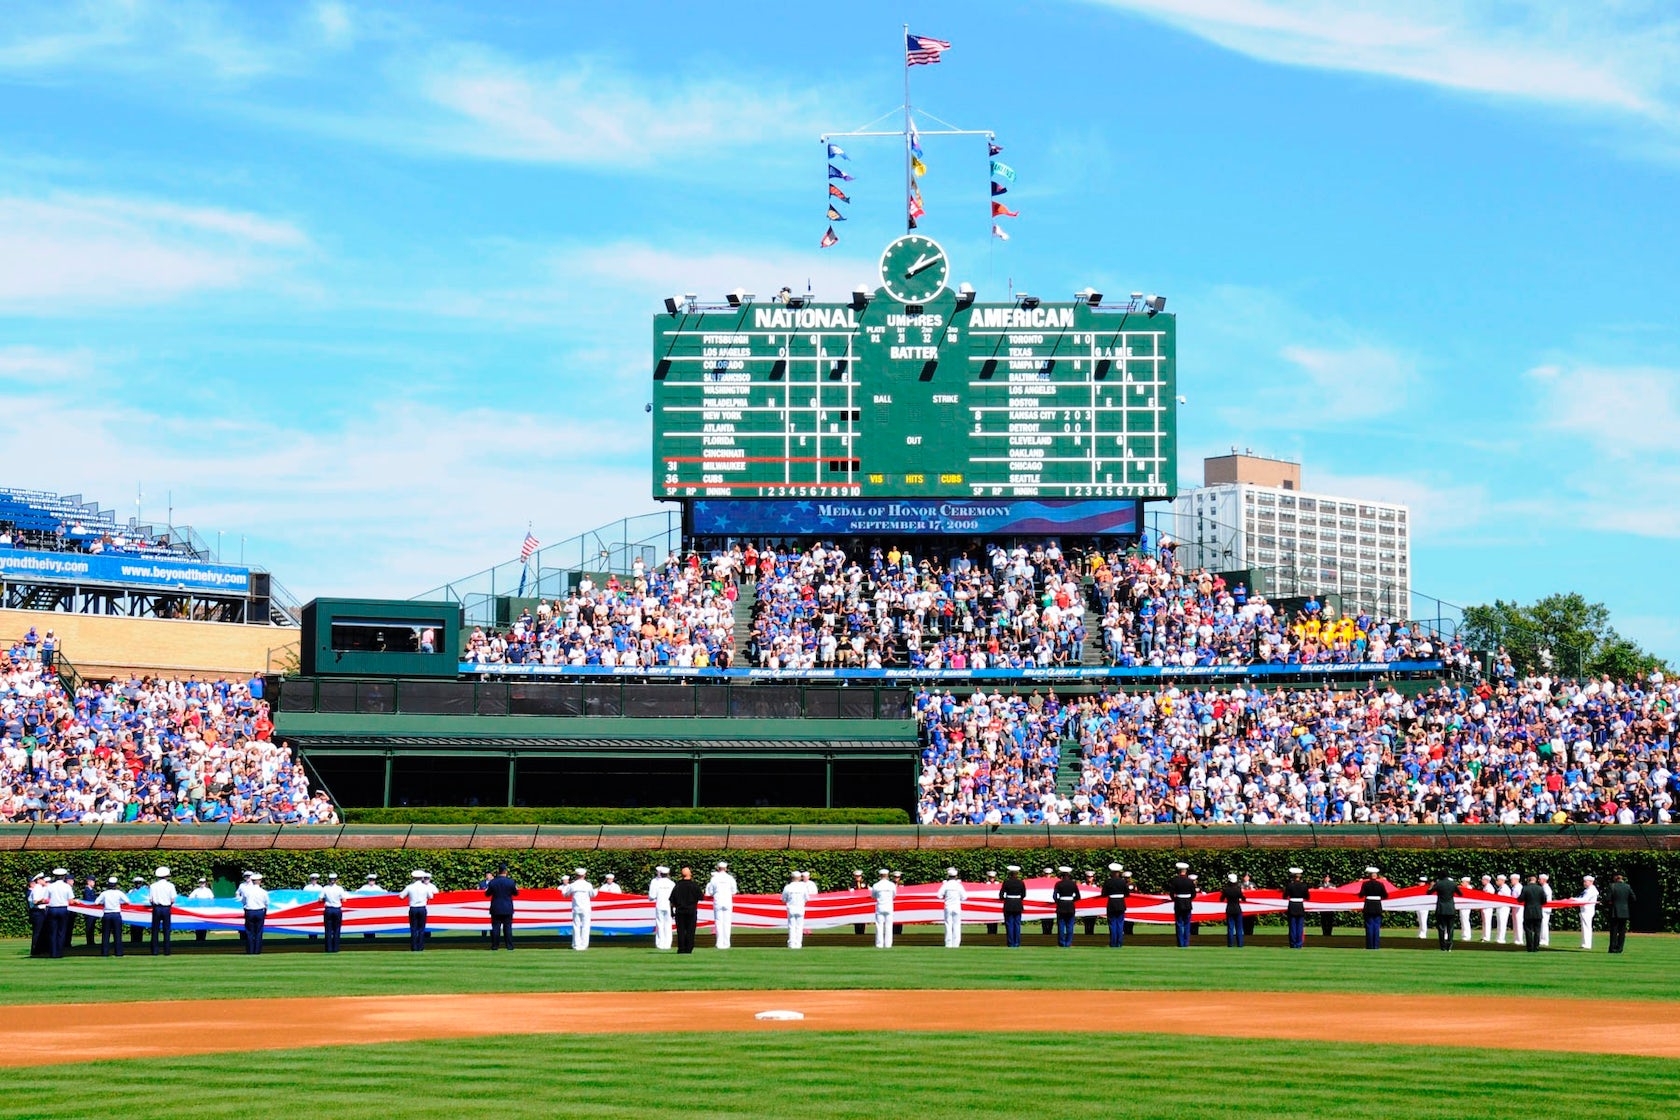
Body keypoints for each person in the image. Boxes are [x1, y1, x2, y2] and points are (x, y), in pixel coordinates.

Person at [399, 870, 435, 952]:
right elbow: (431, 896)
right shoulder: (425, 887)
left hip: (413, 908)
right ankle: (421, 947)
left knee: (414, 928)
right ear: (422, 878)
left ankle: (414, 947)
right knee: (421, 928)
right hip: (422, 908)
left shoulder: (409, 887)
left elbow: (401, 896)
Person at [671, 866, 703, 954]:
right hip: (691, 911)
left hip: (680, 911)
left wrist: (672, 911)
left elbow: (672, 900)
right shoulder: (694, 886)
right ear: (690, 874)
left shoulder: (677, 886)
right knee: (690, 930)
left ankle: (681, 948)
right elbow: (701, 897)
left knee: (680, 930)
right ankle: (689, 948)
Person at [705, 861, 738, 950]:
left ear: (718, 868)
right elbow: (734, 891)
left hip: (718, 901)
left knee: (718, 922)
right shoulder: (730, 878)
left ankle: (719, 943)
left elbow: (710, 892)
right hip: (727, 901)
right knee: (727, 922)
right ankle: (726, 943)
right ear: (726, 868)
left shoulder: (714, 878)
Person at [485, 863, 517, 950]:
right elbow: (516, 893)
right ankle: (509, 946)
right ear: (505, 871)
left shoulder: (493, 882)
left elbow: (487, 894)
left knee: (495, 928)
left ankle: (495, 946)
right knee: (508, 928)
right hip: (507, 907)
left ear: (498, 872)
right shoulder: (511, 882)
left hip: (496, 907)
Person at [563, 867, 596, 951]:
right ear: (584, 875)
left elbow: (566, 894)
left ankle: (576, 945)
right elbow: (592, 895)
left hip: (576, 908)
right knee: (586, 926)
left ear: (576, 875)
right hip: (586, 908)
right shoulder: (588, 885)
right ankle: (584, 945)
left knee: (576, 926)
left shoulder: (573, 885)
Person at [236, 872, 269, 955]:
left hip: (249, 911)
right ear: (260, 881)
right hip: (260, 911)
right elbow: (267, 903)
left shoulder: (247, 891)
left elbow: (243, 901)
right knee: (258, 932)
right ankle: (257, 951)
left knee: (249, 932)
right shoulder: (263, 892)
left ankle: (250, 951)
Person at [45, 869, 75, 958]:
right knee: (61, 932)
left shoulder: (50, 886)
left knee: (52, 932)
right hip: (63, 909)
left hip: (52, 909)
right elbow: (71, 900)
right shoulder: (67, 887)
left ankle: (53, 952)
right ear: (64, 876)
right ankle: (59, 952)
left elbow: (46, 899)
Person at [148, 866, 177, 957]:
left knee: (155, 930)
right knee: (166, 930)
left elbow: (151, 900)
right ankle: (167, 951)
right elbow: (173, 899)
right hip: (166, 908)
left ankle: (154, 951)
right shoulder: (170, 886)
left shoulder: (153, 886)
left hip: (156, 908)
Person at [936, 868, 967, 949]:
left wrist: (946, 897)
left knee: (948, 925)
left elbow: (939, 895)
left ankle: (948, 944)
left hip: (948, 907)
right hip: (957, 907)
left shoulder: (946, 885)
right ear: (956, 876)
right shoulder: (958, 885)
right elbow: (964, 897)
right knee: (957, 925)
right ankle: (956, 944)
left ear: (948, 875)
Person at [1358, 866, 1388, 950]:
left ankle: (1369, 946)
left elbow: (1361, 895)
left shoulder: (1365, 884)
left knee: (1369, 926)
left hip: (1368, 906)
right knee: (1376, 927)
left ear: (1369, 875)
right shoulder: (1381, 884)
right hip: (1377, 906)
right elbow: (1385, 895)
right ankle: (1376, 946)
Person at [97, 876, 127, 957]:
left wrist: (103, 902)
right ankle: (118, 952)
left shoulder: (104, 893)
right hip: (116, 914)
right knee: (117, 934)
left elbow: (96, 902)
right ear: (116, 885)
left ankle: (105, 952)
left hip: (107, 914)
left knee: (106, 934)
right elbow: (127, 901)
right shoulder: (119, 893)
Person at [1604, 873, 1635, 954]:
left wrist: (1611, 903)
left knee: (1614, 930)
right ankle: (1620, 948)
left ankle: (1612, 948)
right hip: (1624, 911)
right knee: (1622, 931)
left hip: (1614, 910)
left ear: (1615, 878)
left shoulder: (1612, 886)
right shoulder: (1627, 887)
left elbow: (1607, 899)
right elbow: (1633, 898)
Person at [1101, 863, 1130, 948]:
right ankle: (1119, 943)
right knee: (1120, 924)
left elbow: (1103, 894)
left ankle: (1113, 943)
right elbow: (1127, 894)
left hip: (1111, 904)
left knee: (1112, 924)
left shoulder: (1108, 882)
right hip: (1121, 904)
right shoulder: (1123, 882)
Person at [1167, 861, 1195, 948]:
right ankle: (1186, 943)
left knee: (1179, 923)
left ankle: (1180, 943)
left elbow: (1171, 893)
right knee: (1187, 923)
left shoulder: (1174, 881)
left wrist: (1175, 899)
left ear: (1178, 871)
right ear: (1185, 871)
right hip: (1187, 903)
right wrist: (1189, 899)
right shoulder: (1190, 881)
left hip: (1178, 903)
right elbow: (1193, 894)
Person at [1517, 873, 1548, 952]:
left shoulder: (1525, 888)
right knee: (1537, 931)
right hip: (1538, 912)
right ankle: (1536, 947)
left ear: (1529, 879)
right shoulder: (1540, 889)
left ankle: (1530, 947)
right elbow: (1544, 901)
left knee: (1528, 930)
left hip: (1528, 912)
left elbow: (1520, 899)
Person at [999, 865, 1027, 948]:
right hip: (1018, 904)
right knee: (1017, 924)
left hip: (1008, 904)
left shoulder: (1006, 882)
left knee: (1009, 924)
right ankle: (1017, 942)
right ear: (1017, 874)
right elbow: (1024, 895)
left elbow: (1001, 895)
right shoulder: (1021, 882)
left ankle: (1010, 942)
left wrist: (1005, 898)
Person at [1052, 866, 1080, 948]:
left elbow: (1054, 896)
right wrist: (1071, 900)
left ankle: (1061, 942)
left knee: (1061, 925)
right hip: (1070, 905)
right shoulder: (1073, 884)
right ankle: (1068, 942)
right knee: (1070, 925)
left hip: (1061, 905)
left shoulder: (1058, 884)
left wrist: (1059, 902)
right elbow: (1078, 896)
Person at [648, 866, 675, 951]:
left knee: (660, 924)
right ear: (668, 874)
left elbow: (652, 896)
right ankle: (667, 944)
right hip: (669, 906)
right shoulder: (672, 883)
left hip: (659, 905)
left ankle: (660, 943)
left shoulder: (656, 883)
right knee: (668, 924)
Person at [1283, 867, 1310, 949]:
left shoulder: (1289, 885)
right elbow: (1307, 897)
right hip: (1300, 906)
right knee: (1300, 926)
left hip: (1292, 906)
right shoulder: (1304, 885)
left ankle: (1293, 943)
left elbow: (1284, 896)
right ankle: (1299, 943)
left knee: (1292, 926)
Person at [869, 869, 897, 949]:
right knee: (889, 926)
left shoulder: (876, 885)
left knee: (879, 926)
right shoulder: (891, 885)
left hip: (880, 907)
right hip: (889, 907)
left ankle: (879, 944)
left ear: (880, 876)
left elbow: (873, 896)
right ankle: (888, 944)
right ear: (887, 875)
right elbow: (894, 895)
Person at [783, 870, 810, 949]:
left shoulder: (788, 887)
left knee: (792, 926)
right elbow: (807, 898)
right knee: (799, 926)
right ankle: (798, 944)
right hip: (800, 908)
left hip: (791, 908)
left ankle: (791, 943)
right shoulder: (803, 887)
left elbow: (784, 899)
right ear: (799, 878)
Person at [1433, 873, 1459, 951]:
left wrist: (1432, 885)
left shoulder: (1439, 884)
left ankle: (1443, 946)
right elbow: (1460, 893)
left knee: (1441, 928)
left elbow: (1429, 892)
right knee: (1450, 928)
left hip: (1441, 909)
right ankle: (1449, 945)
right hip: (1450, 909)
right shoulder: (1453, 884)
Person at [321, 872, 347, 952]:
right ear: (336, 880)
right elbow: (344, 899)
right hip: (337, 909)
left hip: (328, 909)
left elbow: (320, 899)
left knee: (328, 930)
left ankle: (328, 949)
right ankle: (335, 948)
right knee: (337, 929)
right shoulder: (340, 889)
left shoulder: (325, 888)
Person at [1220, 873, 1246, 948]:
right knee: (1239, 928)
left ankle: (1230, 944)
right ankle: (1240, 944)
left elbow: (1221, 899)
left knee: (1230, 928)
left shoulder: (1226, 890)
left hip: (1229, 909)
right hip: (1237, 909)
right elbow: (1243, 898)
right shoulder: (1238, 890)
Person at [356, 874, 384, 940]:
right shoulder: (364, 887)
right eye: (370, 880)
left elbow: (384, 893)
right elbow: (357, 893)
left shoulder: (377, 888)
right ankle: (366, 937)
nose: (372, 881)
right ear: (368, 880)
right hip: (366, 910)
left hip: (374, 910)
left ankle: (372, 937)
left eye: (373, 880)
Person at [27, 872, 48, 958]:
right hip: (37, 912)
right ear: (38, 880)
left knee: (41, 932)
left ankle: (40, 949)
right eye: (42, 879)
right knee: (37, 932)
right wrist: (44, 901)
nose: (44, 881)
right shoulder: (37, 888)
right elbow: (35, 901)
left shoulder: (40, 888)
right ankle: (35, 951)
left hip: (40, 911)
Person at [188, 877, 214, 943]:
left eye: (203, 882)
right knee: (197, 924)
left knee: (203, 924)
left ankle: (203, 938)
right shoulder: (196, 890)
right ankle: (198, 938)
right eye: (201, 883)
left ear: (205, 883)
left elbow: (212, 898)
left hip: (205, 910)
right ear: (199, 883)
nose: (202, 884)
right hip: (198, 910)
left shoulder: (208, 890)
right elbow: (190, 897)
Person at [1577, 875, 1598, 951]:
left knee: (1587, 927)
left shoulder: (1592, 890)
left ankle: (1587, 944)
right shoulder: (1587, 890)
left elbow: (1584, 899)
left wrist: (1573, 900)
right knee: (1584, 927)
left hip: (1587, 911)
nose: (1584, 883)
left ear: (1591, 882)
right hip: (1584, 910)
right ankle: (1584, 943)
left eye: (1586, 881)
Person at [1080, 870, 1100, 937]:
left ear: (1093, 878)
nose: (1089, 878)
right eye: (1088, 877)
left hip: (1093, 907)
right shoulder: (1083, 885)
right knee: (1086, 923)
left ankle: (1091, 935)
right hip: (1085, 907)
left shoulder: (1095, 886)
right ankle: (1086, 935)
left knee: (1092, 922)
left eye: (1091, 877)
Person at [1494, 874, 1512, 944]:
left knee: (1502, 923)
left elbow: (1508, 898)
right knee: (1499, 923)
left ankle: (1501, 938)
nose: (1496, 881)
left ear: (1502, 881)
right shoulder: (1501, 888)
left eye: (1497, 880)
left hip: (1504, 908)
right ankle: (1499, 937)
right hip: (1500, 907)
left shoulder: (1505, 888)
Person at [81, 876, 98, 947]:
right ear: (89, 882)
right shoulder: (87, 890)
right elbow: (89, 900)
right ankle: (89, 941)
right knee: (89, 926)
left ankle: (91, 941)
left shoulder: (91, 890)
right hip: (89, 912)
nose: (94, 883)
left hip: (92, 912)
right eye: (93, 881)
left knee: (92, 927)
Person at [1318, 873, 1337, 938]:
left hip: (1330, 905)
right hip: (1323, 905)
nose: (1326, 879)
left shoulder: (1333, 885)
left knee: (1330, 920)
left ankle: (1329, 932)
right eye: (1325, 877)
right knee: (1323, 920)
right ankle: (1324, 932)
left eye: (1328, 877)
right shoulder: (1320, 885)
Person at [1039, 867, 1056, 936]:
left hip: (1051, 903)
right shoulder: (1041, 883)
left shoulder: (1054, 882)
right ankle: (1045, 933)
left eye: (1049, 874)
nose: (1047, 875)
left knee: (1050, 920)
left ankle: (1049, 932)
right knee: (1044, 920)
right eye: (1046, 874)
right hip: (1044, 903)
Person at [1479, 875, 1496, 943]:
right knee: (1484, 922)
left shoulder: (1490, 887)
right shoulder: (1486, 887)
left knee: (1487, 922)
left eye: (1483, 880)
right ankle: (1484, 936)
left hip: (1488, 907)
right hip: (1484, 906)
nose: (1482, 881)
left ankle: (1486, 937)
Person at [1537, 874, 1553, 947]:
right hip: (1543, 908)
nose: (1538, 880)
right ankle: (1542, 939)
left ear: (1544, 880)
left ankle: (1544, 940)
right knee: (1542, 924)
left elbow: (1543, 899)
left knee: (1544, 925)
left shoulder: (1546, 888)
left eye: (1540, 879)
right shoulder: (1543, 887)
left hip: (1545, 909)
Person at [983, 870, 1000, 936]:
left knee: (995, 920)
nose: (991, 879)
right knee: (989, 920)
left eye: (993, 877)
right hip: (988, 903)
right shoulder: (986, 884)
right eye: (990, 877)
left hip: (995, 903)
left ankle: (994, 932)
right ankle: (990, 932)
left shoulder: (997, 884)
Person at [1458, 878, 1474, 943]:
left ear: (1467, 882)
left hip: (1466, 907)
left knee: (1465, 921)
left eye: (1463, 882)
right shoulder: (1464, 888)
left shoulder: (1469, 888)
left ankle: (1467, 936)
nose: (1461, 883)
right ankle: (1464, 935)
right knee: (1463, 920)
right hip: (1463, 906)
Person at [1416, 876, 1431, 940]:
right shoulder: (1417, 888)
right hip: (1418, 906)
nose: (1420, 883)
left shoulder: (1427, 889)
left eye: (1422, 882)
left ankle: (1423, 933)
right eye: (1420, 882)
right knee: (1420, 920)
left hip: (1424, 907)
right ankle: (1420, 932)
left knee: (1423, 920)